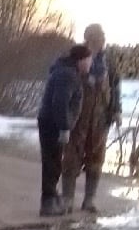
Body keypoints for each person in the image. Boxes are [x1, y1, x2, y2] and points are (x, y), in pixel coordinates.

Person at [61, 23, 122, 213]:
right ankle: (67, 200)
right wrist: (64, 118)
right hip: (78, 119)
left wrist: (117, 111)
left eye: (102, 38)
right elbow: (65, 87)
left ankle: (89, 200)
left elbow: (116, 88)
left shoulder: (109, 63)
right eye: (96, 39)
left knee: (96, 160)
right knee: (71, 159)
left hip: (100, 119)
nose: (100, 42)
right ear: (88, 40)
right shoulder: (75, 59)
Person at [37, 44, 92, 217]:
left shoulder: (67, 72)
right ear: (82, 60)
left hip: (51, 122)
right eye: (89, 60)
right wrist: (64, 127)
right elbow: (59, 103)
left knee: (54, 162)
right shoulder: (67, 75)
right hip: (53, 124)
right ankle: (48, 203)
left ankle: (52, 198)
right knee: (52, 163)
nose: (90, 63)